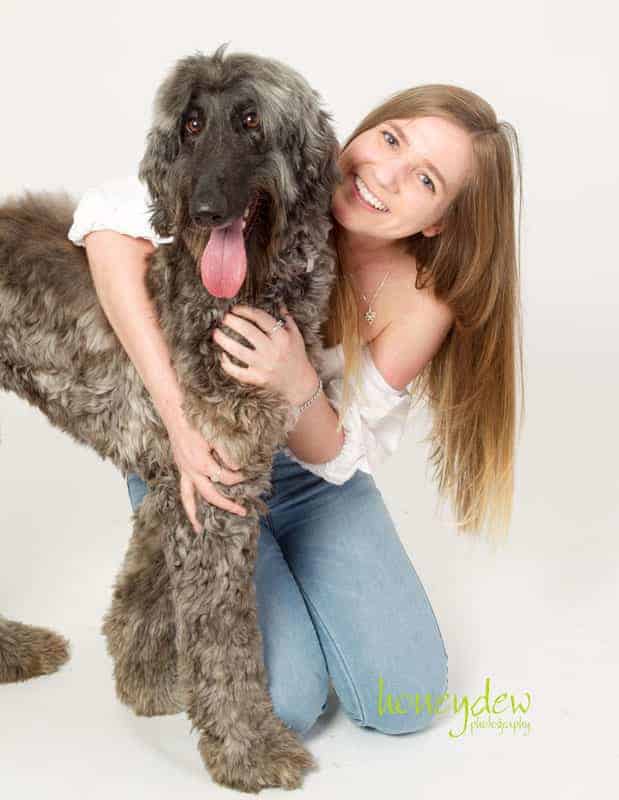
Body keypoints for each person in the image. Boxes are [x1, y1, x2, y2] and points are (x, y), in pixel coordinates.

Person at [68, 83, 523, 736]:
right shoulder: (282, 175)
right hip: (208, 460)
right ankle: (186, 568)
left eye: (424, 179)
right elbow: (106, 224)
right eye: (390, 139)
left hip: (314, 479)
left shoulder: (421, 303)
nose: (384, 175)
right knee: (282, 706)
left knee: (408, 700)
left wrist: (298, 381)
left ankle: (287, 574)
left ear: (440, 220)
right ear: (365, 130)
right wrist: (175, 419)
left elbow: (340, 457)